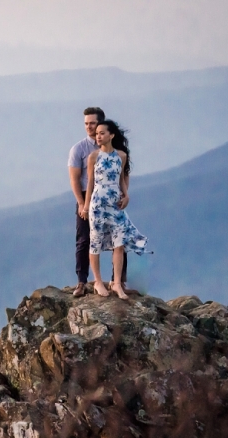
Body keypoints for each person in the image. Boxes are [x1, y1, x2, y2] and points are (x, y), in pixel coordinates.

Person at [82, 119, 149, 299]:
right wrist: (86, 205)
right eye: (97, 134)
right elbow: (90, 182)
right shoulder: (93, 157)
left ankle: (117, 283)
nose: (98, 136)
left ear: (111, 135)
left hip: (115, 204)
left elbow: (121, 180)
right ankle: (97, 281)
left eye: (102, 133)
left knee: (119, 243)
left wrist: (126, 195)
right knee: (95, 242)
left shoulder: (121, 156)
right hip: (98, 203)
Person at [68, 107, 127, 297]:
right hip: (88, 197)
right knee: (85, 240)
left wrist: (125, 194)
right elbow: (75, 179)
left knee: (119, 239)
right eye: (86, 123)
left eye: (92, 123)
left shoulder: (116, 148)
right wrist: (80, 203)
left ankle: (118, 281)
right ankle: (82, 282)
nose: (89, 127)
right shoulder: (80, 149)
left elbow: (124, 173)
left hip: (111, 196)